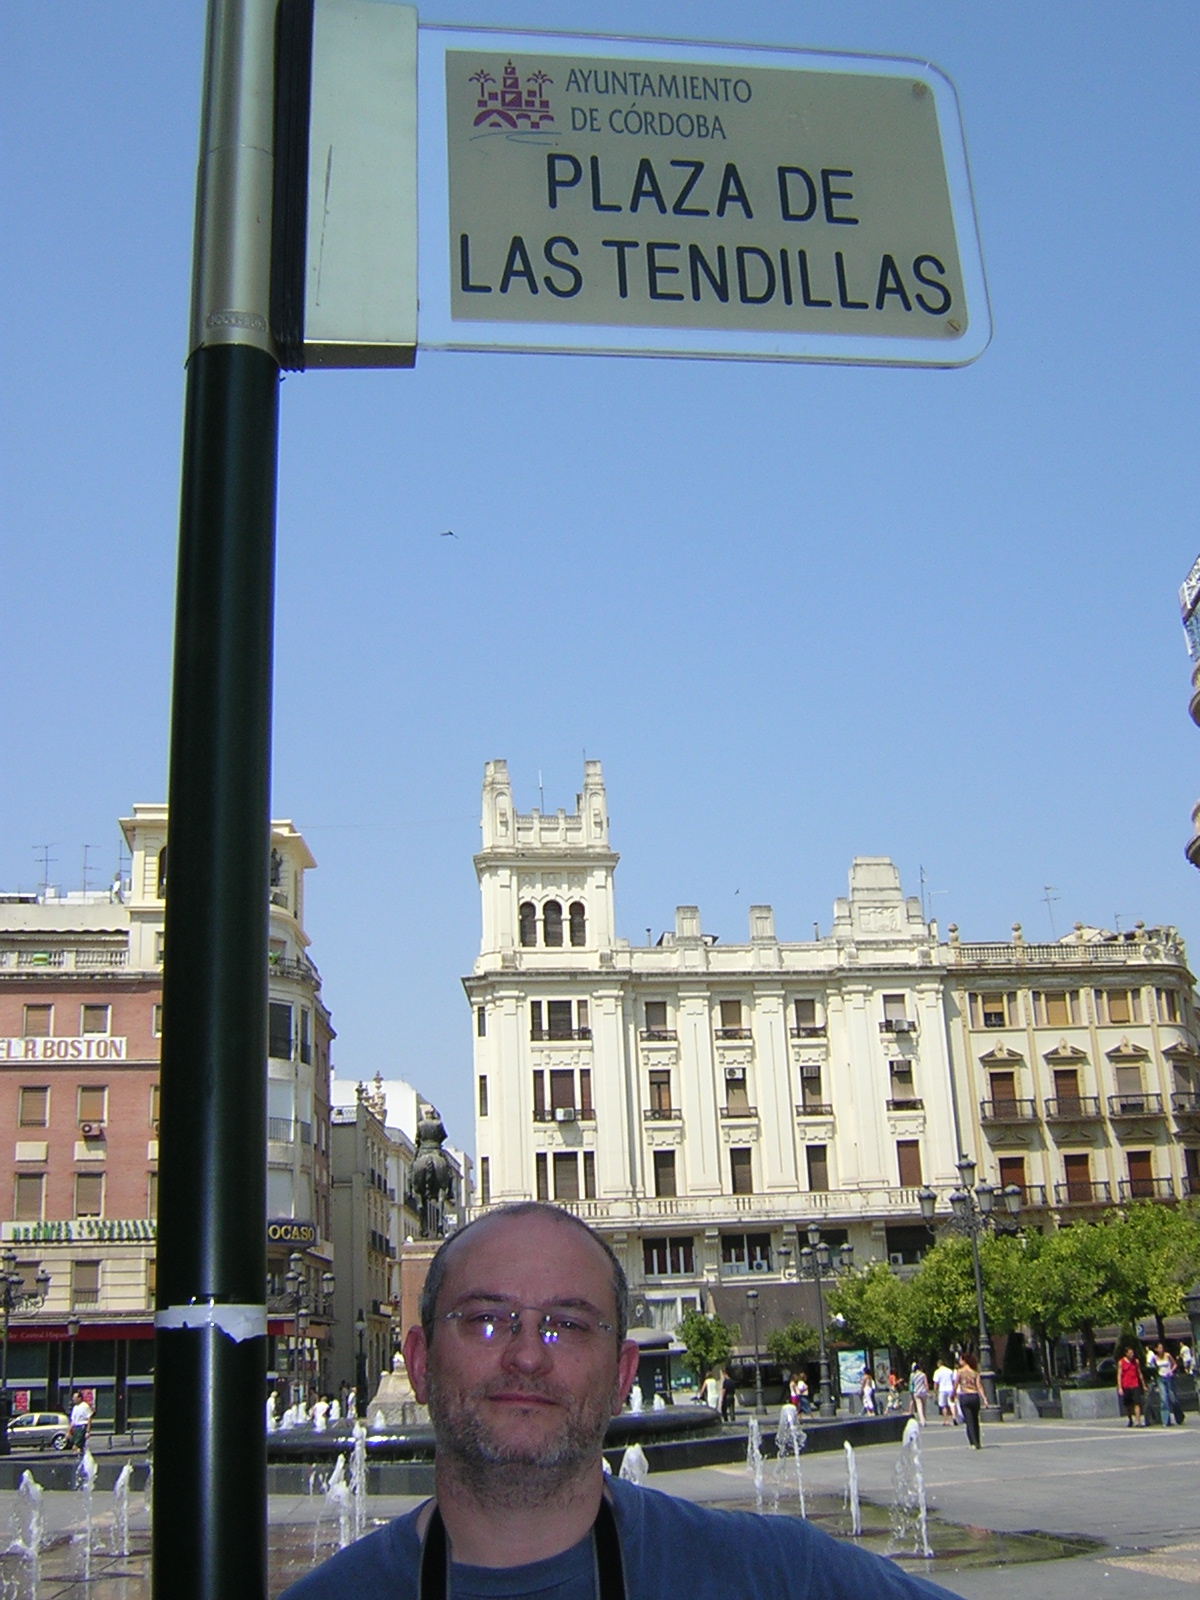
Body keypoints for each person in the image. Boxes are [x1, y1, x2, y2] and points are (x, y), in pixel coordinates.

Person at [281, 1201, 963, 1599]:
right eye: (486, 1319)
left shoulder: (783, 1577)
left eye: (569, 1324)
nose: (527, 1354)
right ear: (421, 1362)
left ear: (621, 1373)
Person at [953, 1353, 983, 1449]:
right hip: (974, 1396)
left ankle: (973, 1443)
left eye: (961, 1360)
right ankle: (978, 1441)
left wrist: (953, 1394)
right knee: (975, 1420)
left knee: (969, 1420)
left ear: (965, 1361)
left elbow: (956, 1384)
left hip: (965, 1396)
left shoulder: (960, 1372)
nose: (959, 1361)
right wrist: (984, 1398)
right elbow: (979, 1386)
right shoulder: (975, 1372)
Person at [1117, 1346, 1145, 1427]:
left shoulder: (1136, 1361)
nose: (1132, 1354)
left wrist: (1143, 1385)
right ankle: (1130, 1419)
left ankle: (1138, 1421)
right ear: (1126, 1354)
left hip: (1135, 1384)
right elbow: (1119, 1375)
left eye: (1132, 1353)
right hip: (1126, 1386)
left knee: (1137, 1403)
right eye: (1130, 1353)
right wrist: (1120, 1387)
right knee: (1128, 1405)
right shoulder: (1121, 1362)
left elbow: (1139, 1373)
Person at [1152, 1343, 1179, 1426]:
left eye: (1162, 1347)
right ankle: (1165, 1420)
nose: (1161, 1349)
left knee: (1173, 1398)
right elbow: (1153, 1368)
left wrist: (1171, 1371)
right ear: (1156, 1349)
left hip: (1169, 1378)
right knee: (1164, 1399)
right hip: (1161, 1378)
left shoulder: (1167, 1355)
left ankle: (1179, 1416)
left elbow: (1175, 1364)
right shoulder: (1155, 1358)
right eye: (1159, 1348)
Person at [932, 1359, 955, 1425]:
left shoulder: (937, 1371)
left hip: (942, 1390)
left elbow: (936, 1383)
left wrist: (935, 1391)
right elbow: (953, 1381)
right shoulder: (949, 1371)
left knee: (943, 1405)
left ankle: (946, 1421)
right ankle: (954, 1417)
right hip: (950, 1389)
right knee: (951, 1404)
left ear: (938, 1364)